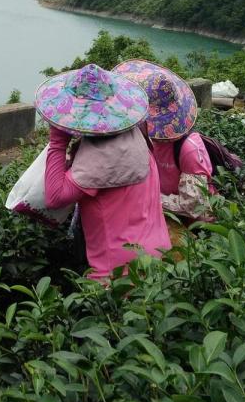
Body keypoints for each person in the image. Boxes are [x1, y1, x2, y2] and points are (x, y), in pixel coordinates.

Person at [36, 64, 170, 280]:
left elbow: (54, 197)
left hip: (118, 273)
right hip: (158, 254)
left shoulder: (100, 155)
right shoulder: (138, 134)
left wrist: (57, 142)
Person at [112, 60, 214, 222]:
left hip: (187, 223)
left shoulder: (189, 149)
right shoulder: (145, 136)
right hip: (155, 210)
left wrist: (144, 197)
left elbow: (194, 205)